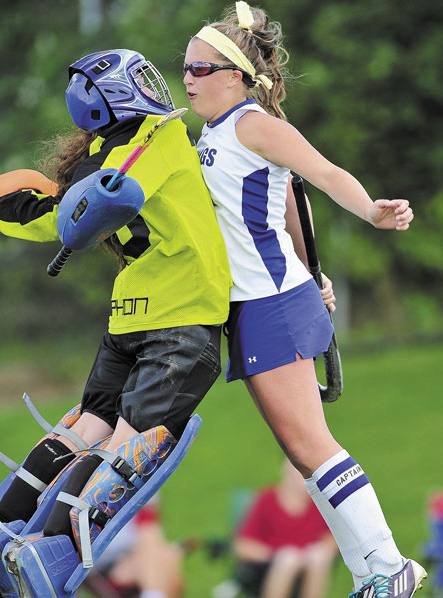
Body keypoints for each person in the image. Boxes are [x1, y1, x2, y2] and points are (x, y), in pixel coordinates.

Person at [0, 48, 231, 597]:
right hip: (184, 320)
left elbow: (54, 211)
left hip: (130, 314)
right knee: (125, 445)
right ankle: (46, 549)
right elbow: (114, 191)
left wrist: (35, 211)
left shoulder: (89, 167)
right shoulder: (158, 137)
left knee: (85, 428)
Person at [182, 3, 426, 597]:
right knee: (301, 453)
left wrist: (371, 210)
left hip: (270, 300)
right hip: (258, 303)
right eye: (183, 64)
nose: (186, 75)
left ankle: (389, 567)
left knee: (311, 445)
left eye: (199, 66)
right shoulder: (213, 132)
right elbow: (289, 203)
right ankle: (375, 572)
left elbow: (322, 174)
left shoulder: (253, 123)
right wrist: (313, 268)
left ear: (236, 75)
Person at [233, 458, 337, 598]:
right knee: (288, 558)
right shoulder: (266, 500)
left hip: (309, 566)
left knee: (318, 556)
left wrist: (306, 556)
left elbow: (332, 540)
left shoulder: (320, 503)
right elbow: (243, 546)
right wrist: (279, 555)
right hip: (267, 569)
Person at [83, 495, 184, 598]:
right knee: (164, 561)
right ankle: (153, 593)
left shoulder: (140, 483)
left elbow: (147, 527)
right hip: (86, 562)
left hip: (124, 559)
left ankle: (152, 592)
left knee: (166, 561)